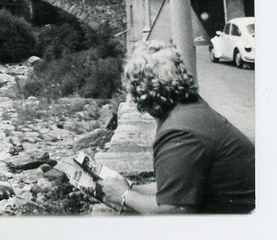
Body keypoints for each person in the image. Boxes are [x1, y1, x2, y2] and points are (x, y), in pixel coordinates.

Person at [98, 40, 254, 214]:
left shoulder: (178, 132)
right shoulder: (190, 109)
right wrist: (132, 188)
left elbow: (175, 211)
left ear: (142, 92)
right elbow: (176, 185)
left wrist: (124, 195)